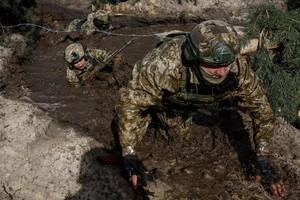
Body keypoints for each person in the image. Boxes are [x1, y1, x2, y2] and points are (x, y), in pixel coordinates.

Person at [115, 20, 287, 197]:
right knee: (136, 124)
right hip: (164, 101)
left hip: (192, 103)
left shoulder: (236, 69)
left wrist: (262, 156)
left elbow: (261, 109)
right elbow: (131, 103)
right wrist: (128, 152)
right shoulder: (164, 64)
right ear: (193, 57)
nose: (221, 72)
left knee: (181, 135)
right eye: (213, 66)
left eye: (225, 65)